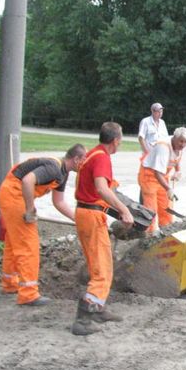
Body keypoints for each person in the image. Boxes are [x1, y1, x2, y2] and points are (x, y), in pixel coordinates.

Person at [0, 144, 87, 305]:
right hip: (14, 196)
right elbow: (27, 180)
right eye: (84, 160)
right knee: (28, 245)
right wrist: (30, 209)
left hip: (10, 195)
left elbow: (58, 202)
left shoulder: (62, 174)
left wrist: (78, 219)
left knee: (14, 242)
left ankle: (9, 284)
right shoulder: (54, 168)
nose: (85, 165)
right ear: (76, 159)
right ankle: (28, 294)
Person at [71, 122, 134, 336]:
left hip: (84, 213)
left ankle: (98, 308)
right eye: (121, 140)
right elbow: (101, 187)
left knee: (97, 265)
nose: (121, 143)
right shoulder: (101, 158)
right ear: (115, 141)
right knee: (103, 269)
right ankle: (83, 319)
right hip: (91, 215)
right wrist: (124, 209)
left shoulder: (92, 154)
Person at [138, 127, 186, 233]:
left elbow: (176, 159)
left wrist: (177, 171)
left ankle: (166, 232)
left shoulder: (179, 147)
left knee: (166, 208)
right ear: (175, 138)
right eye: (181, 141)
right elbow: (157, 173)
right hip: (149, 176)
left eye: (185, 142)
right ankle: (149, 236)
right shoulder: (163, 146)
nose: (183, 145)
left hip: (163, 178)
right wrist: (168, 189)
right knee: (151, 210)